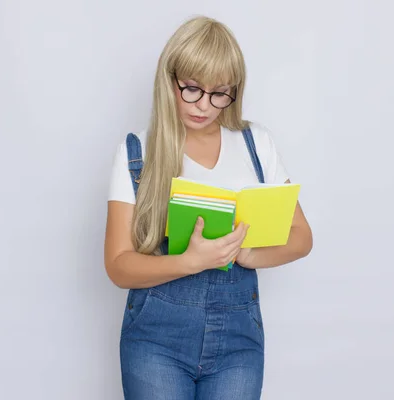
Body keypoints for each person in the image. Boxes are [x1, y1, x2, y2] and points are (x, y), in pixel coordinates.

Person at [104, 15, 313, 400]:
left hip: (238, 339)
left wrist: (247, 253)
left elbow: (301, 238)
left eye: (220, 93)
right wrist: (192, 261)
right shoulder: (137, 151)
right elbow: (118, 266)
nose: (204, 106)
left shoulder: (255, 144)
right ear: (170, 80)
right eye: (192, 90)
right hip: (156, 340)